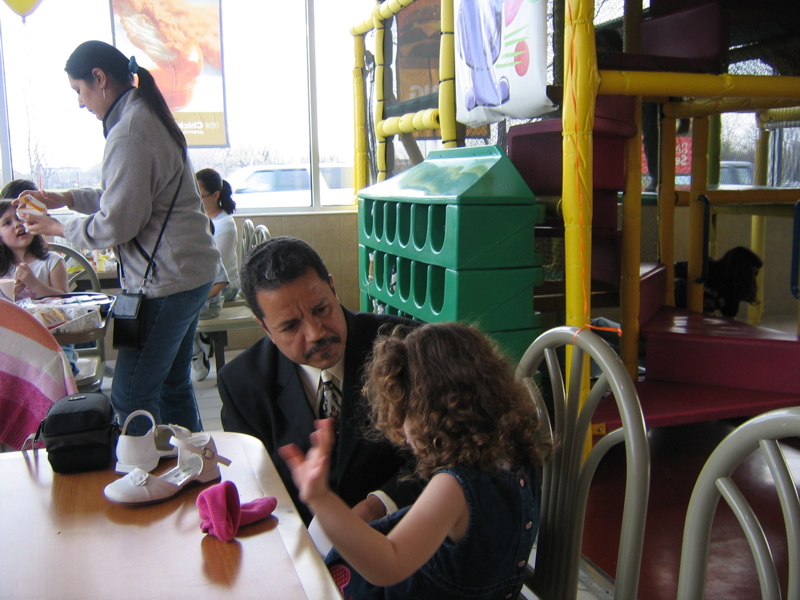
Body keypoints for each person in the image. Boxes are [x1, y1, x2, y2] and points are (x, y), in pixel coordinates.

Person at [15, 40, 219, 436]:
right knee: (174, 386)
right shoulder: (146, 116)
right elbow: (129, 197)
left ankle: (142, 482)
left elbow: (116, 223)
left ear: (100, 79)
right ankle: (195, 472)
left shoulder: (129, 131)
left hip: (167, 284)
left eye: (79, 91)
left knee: (130, 396)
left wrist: (56, 227)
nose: (80, 102)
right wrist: (67, 199)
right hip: (191, 275)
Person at [280, 321, 550, 599]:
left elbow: (388, 564)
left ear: (435, 413)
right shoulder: (517, 453)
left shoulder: (453, 488)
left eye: (404, 414)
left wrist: (321, 499)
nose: (400, 432)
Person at [218, 236, 421, 525]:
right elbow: (253, 488)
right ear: (264, 327)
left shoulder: (408, 347)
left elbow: (450, 455)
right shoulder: (243, 383)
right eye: (290, 326)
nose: (316, 333)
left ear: (333, 288)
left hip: (407, 530)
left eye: (321, 309)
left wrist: (378, 505)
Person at [0, 187, 79, 375]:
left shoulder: (52, 261)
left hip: (55, 339)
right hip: (16, 342)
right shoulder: (3, 273)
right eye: (7, 223)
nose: (17, 224)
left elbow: (65, 300)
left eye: (20, 217)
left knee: (55, 370)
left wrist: (34, 284)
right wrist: (10, 294)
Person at [674, 245, 764, 318]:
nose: (753, 278)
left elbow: (729, 319)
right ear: (742, 271)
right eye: (753, 273)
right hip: (671, 306)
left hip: (692, 317)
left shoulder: (731, 292)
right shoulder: (707, 269)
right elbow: (672, 268)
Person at [192, 219, 229, 382]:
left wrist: (200, 297)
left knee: (178, 319)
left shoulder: (211, 256)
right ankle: (201, 341)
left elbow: (222, 282)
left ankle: (196, 354)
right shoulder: (188, 257)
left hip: (208, 306)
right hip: (195, 305)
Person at [195, 168, 240, 303]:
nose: (195, 199)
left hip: (225, 286)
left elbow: (218, 270)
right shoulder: (200, 218)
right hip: (207, 280)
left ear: (216, 195)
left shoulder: (225, 224)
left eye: (200, 195)